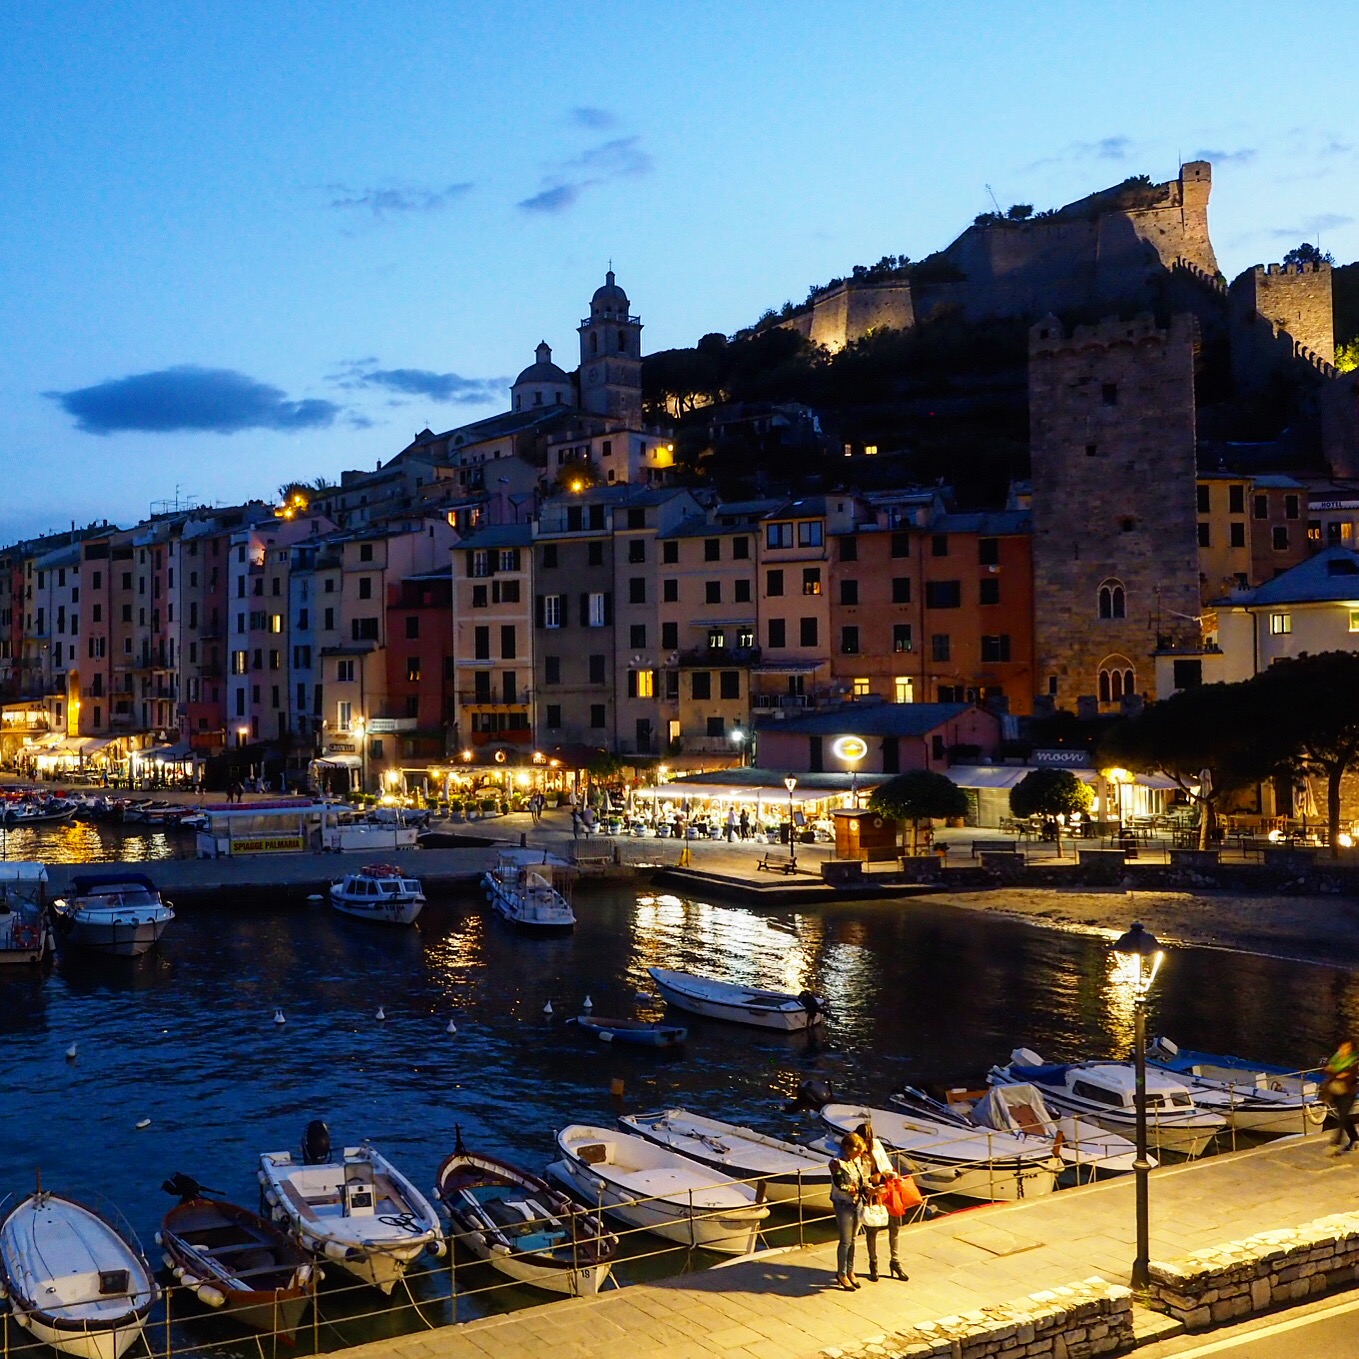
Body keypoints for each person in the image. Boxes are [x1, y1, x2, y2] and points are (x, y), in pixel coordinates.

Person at [855, 1120, 908, 1280]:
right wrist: (872, 1179)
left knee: (895, 1226)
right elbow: (859, 1177)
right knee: (872, 1229)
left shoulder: (876, 1145)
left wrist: (887, 1174)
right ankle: (873, 1263)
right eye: (867, 1139)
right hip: (871, 1193)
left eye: (871, 1139)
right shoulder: (857, 1152)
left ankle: (895, 1261)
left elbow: (886, 1165)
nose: (869, 1143)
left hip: (887, 1190)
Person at [829, 1131, 868, 1291]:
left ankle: (851, 1271)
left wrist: (867, 1188)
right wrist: (853, 1189)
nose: (859, 1154)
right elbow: (839, 1183)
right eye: (857, 1150)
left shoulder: (856, 1160)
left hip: (857, 1202)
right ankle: (841, 1273)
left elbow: (860, 1179)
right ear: (847, 1148)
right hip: (843, 1204)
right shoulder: (836, 1162)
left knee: (853, 1239)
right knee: (845, 1241)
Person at [1323, 1039, 1359, 1155]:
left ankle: (1335, 1143)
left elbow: (1346, 1075)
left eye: (1347, 1048)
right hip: (1336, 1092)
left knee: (1343, 1116)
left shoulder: (1353, 1061)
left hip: (1349, 1092)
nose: (1344, 1050)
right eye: (1343, 1047)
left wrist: (1334, 1072)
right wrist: (1332, 1071)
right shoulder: (1336, 1059)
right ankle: (1355, 1138)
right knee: (1344, 1117)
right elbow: (1327, 1070)